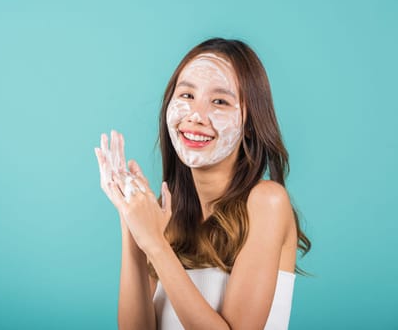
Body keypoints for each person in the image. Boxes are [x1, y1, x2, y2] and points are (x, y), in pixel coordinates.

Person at [94, 37, 311, 330]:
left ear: (249, 123)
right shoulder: (167, 215)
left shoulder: (267, 202)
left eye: (220, 101)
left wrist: (156, 246)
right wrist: (131, 223)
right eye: (186, 96)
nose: (196, 116)